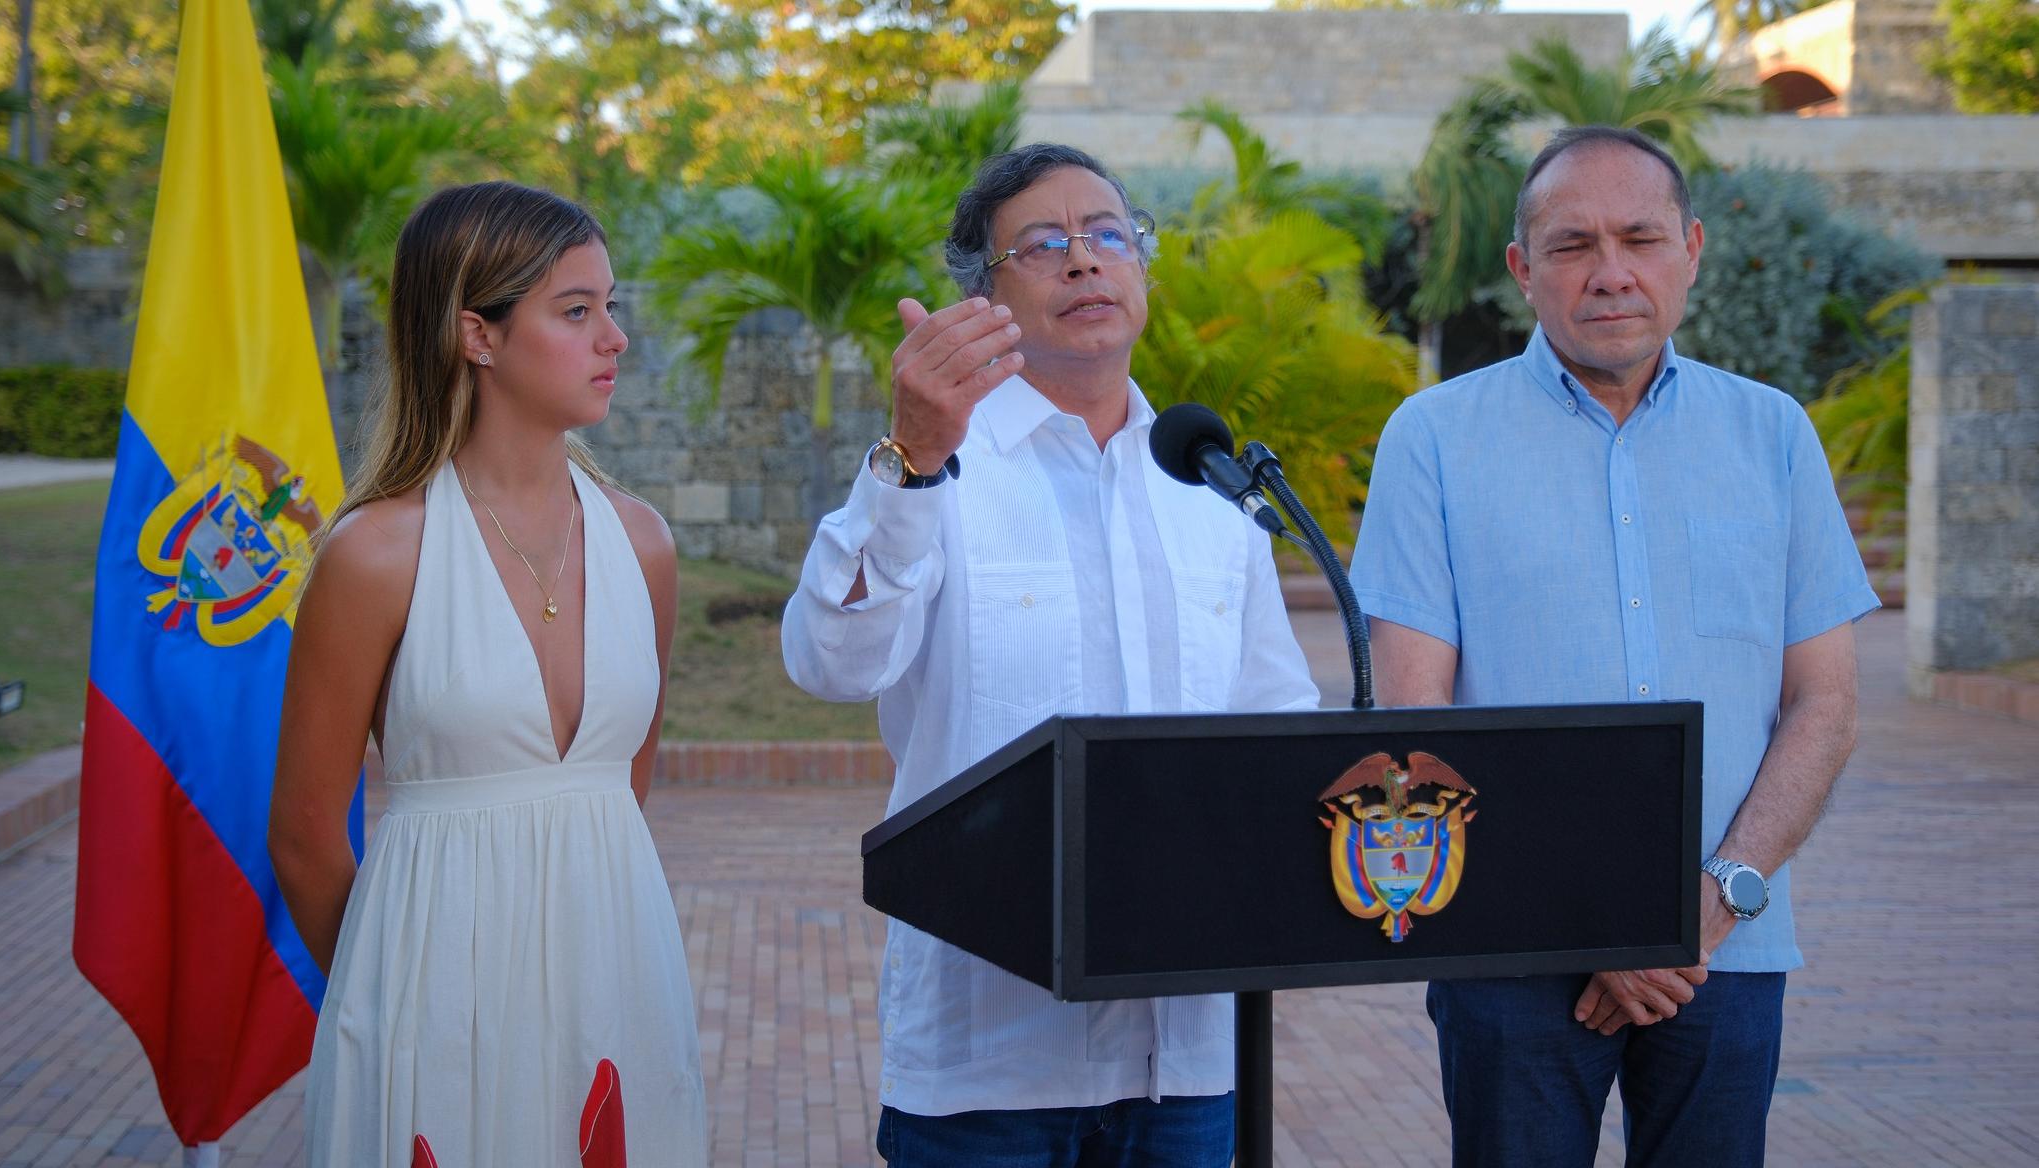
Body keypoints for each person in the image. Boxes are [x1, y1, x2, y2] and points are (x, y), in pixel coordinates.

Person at [781, 143, 1320, 1166]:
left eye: (1109, 236)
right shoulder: (938, 471)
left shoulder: (1211, 489)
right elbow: (828, 660)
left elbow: (1276, 731)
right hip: (989, 1067)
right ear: (982, 296)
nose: (1085, 262)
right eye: (1043, 246)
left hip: (1193, 1056)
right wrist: (909, 462)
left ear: (1142, 271)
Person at [1351, 125, 1877, 1167]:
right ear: (1521, 270)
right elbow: (1413, 724)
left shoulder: (1773, 435)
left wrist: (1713, 900)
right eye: (1570, 244)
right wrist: (1591, 924)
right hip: (1508, 948)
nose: (1610, 273)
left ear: (1689, 248)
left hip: (1726, 948)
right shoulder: (1434, 437)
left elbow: (1824, 704)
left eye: (1639, 238)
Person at [269, 181, 706, 1166]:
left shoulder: (643, 545)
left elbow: (622, 793)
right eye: (577, 310)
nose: (615, 338)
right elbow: (301, 834)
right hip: (430, 1013)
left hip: (618, 985)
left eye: (612, 306)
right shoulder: (375, 555)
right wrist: (393, 999)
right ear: (478, 334)